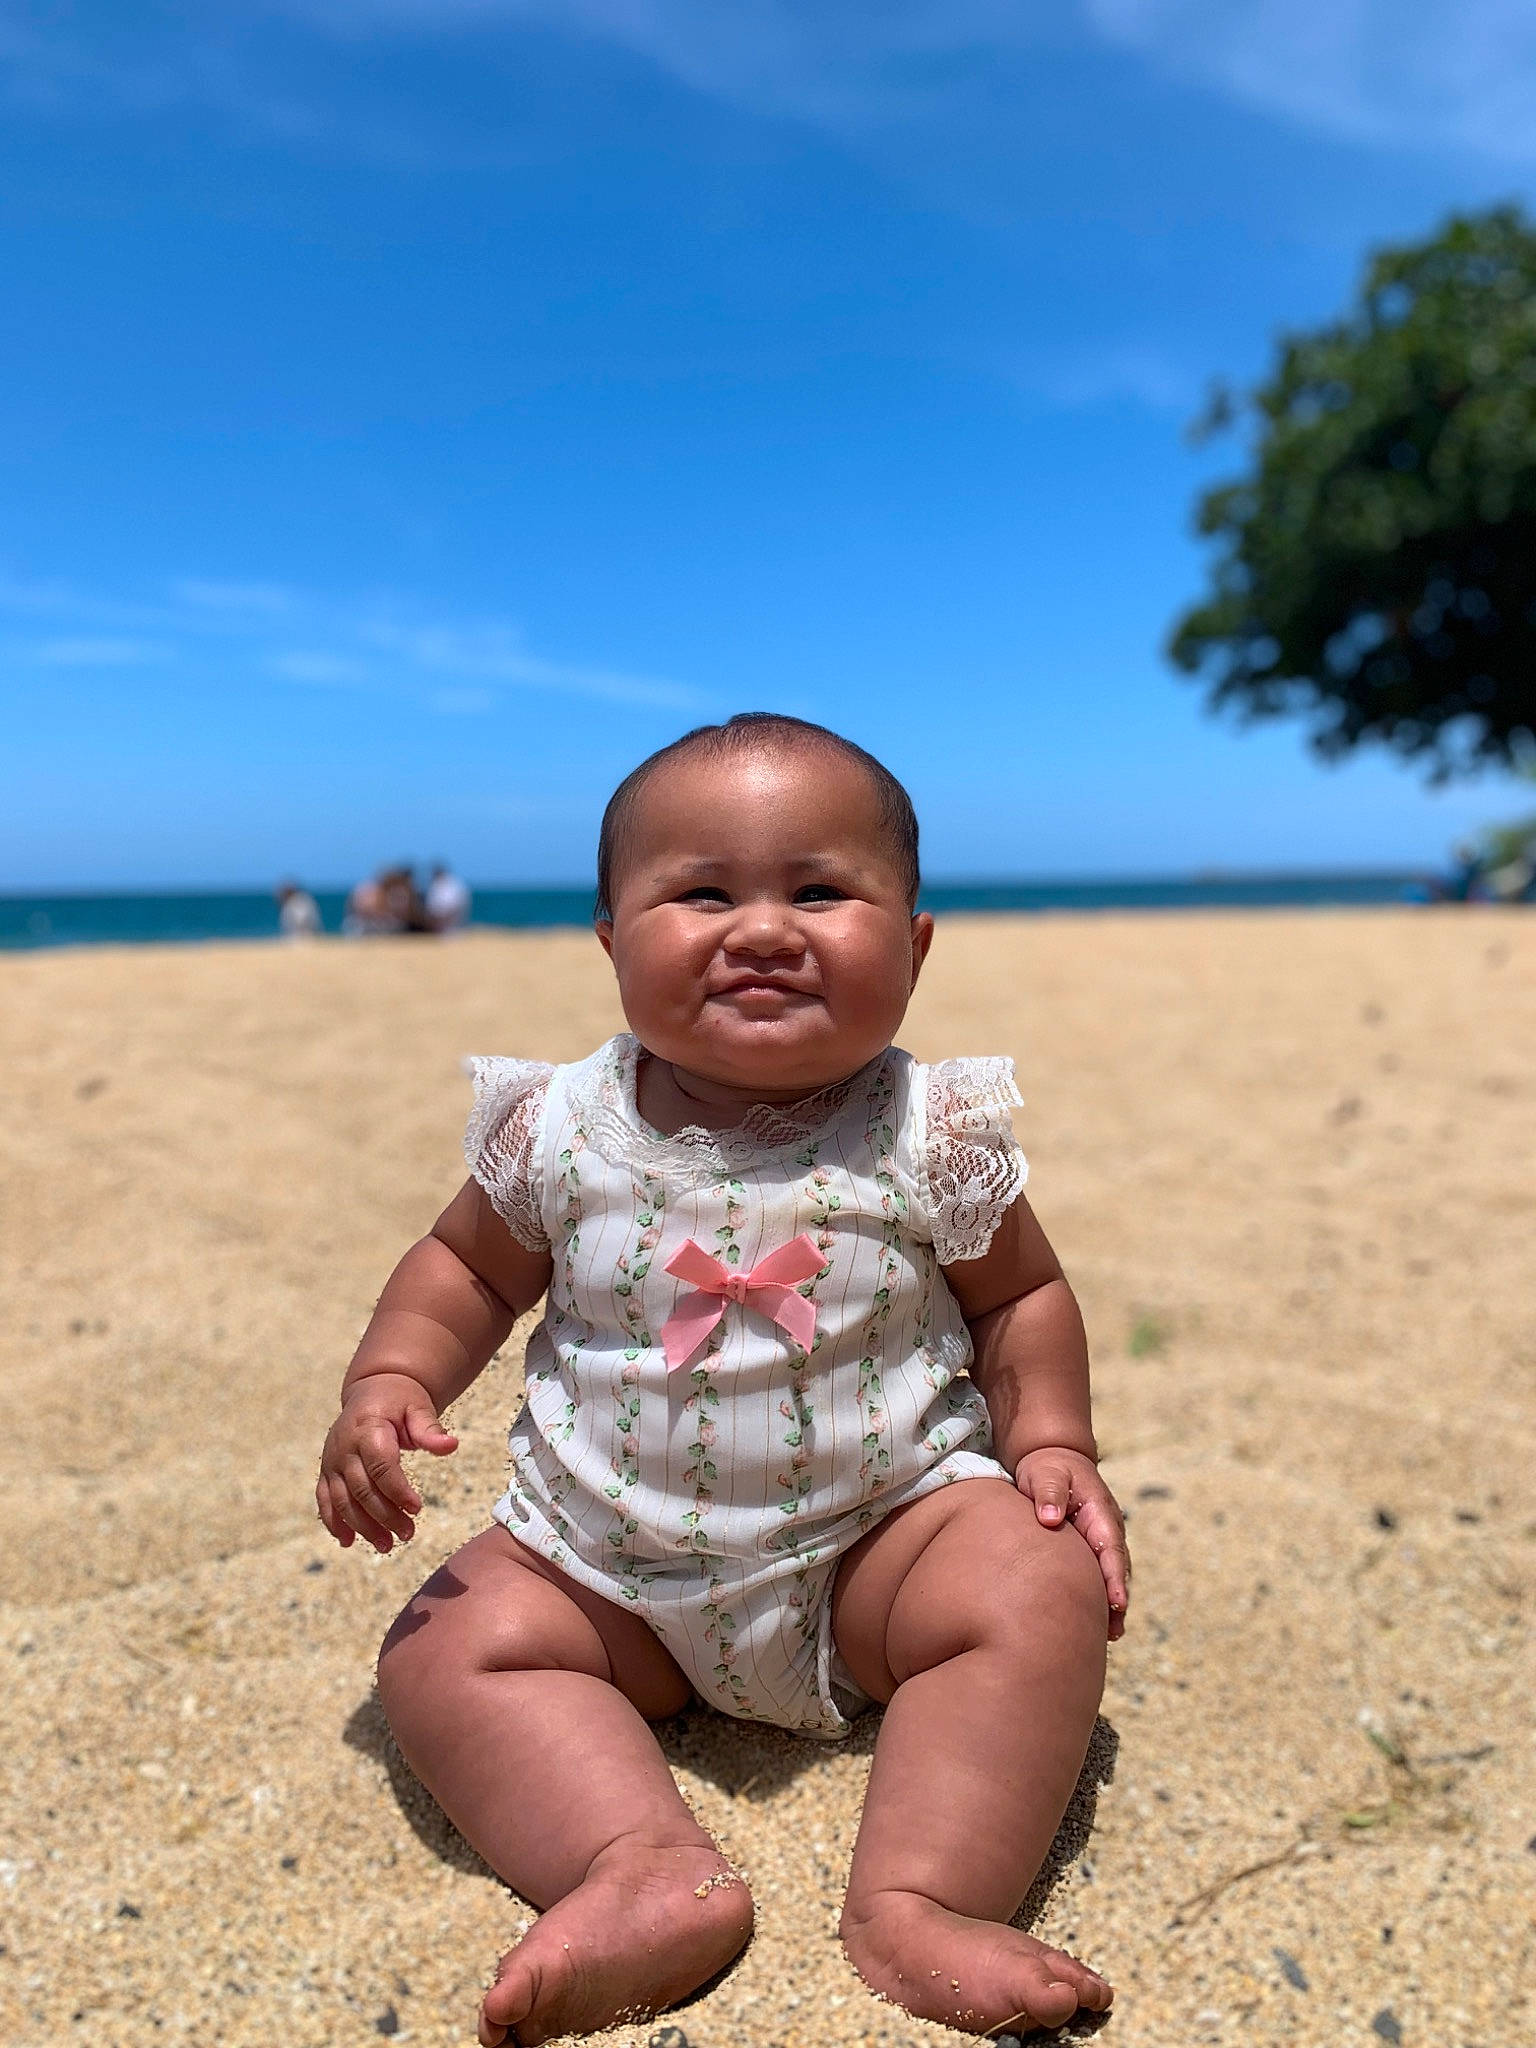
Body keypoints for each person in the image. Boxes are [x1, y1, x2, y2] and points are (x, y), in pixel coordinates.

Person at [315, 714, 1130, 2046]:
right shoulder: (560, 1129)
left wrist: (1054, 1446)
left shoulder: (931, 1131)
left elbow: (1021, 1295)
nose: (763, 929)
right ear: (610, 939)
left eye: (820, 890)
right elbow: (463, 1272)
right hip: (604, 1574)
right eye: (702, 892)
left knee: (1033, 1584)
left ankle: (927, 1899)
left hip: (880, 1551)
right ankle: (634, 1865)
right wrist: (391, 1378)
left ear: (915, 948)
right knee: (442, 1648)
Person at [425, 860, 472, 932]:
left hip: (453, 921)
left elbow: (458, 906)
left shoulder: (452, 885)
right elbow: (432, 908)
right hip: (439, 921)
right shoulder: (434, 885)